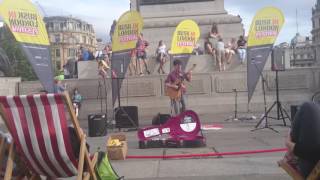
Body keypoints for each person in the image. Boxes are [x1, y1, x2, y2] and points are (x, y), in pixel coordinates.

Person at [284, 101, 320, 178]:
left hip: (312, 165)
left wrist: (289, 144)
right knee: (311, 107)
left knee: (308, 107)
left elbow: (312, 152)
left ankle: (291, 151)